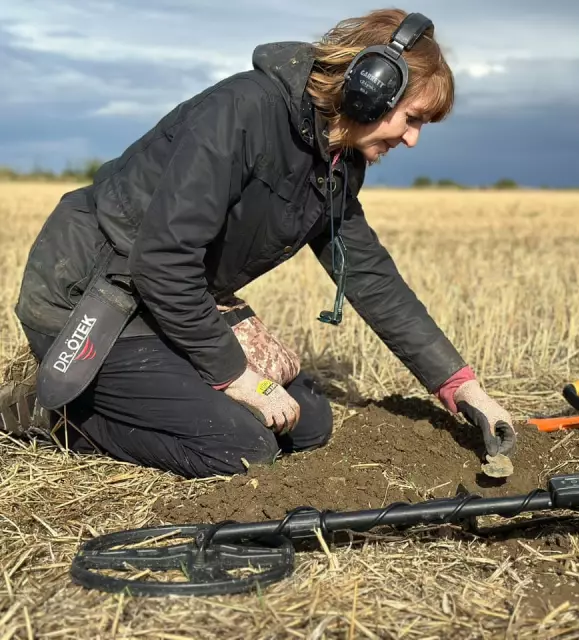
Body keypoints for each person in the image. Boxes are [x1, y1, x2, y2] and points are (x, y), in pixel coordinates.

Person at [4, 8, 517, 478]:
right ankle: (57, 415)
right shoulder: (241, 112)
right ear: (371, 89)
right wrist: (236, 376)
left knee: (308, 424)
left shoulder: (336, 162)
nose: (412, 139)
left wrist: (460, 385)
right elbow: (162, 260)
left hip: (163, 304)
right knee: (242, 448)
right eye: (413, 118)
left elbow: (370, 277)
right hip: (93, 297)